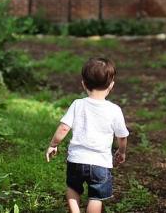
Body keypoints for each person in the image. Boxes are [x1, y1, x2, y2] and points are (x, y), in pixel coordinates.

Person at [45, 57, 129, 213]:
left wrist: (53, 145)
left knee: (73, 188)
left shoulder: (78, 104)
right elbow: (122, 136)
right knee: (96, 197)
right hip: (100, 163)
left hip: (76, 160)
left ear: (84, 84)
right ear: (111, 85)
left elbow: (63, 128)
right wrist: (121, 151)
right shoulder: (114, 110)